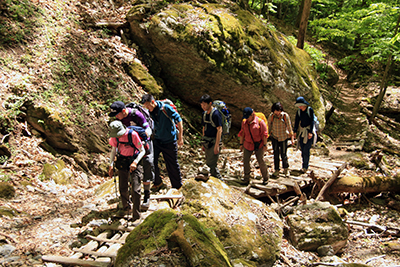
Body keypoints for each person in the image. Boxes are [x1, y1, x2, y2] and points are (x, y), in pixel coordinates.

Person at [109, 101, 154, 211]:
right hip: (127, 147)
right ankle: (128, 200)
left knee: (147, 165)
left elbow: (147, 128)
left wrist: (144, 140)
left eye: (117, 114)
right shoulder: (118, 121)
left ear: (124, 111)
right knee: (127, 171)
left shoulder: (136, 115)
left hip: (141, 143)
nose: (116, 117)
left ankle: (146, 195)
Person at [141, 94, 183, 190]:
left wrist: (180, 137)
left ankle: (177, 186)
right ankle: (158, 182)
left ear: (153, 102)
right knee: (151, 161)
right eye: (145, 106)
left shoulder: (165, 108)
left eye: (148, 105)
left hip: (169, 141)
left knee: (172, 164)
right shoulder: (149, 112)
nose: (147, 108)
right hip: (157, 140)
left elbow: (179, 120)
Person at [108, 120, 145, 222]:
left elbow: (142, 150)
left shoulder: (132, 135)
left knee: (135, 189)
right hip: (122, 161)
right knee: (122, 187)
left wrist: (135, 162)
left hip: (134, 160)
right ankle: (126, 208)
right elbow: (113, 150)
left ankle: (136, 215)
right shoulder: (115, 137)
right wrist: (111, 165)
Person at [238, 107, 270, 185]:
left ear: (252, 115)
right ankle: (246, 178)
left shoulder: (260, 122)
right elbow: (242, 133)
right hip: (247, 144)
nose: (247, 119)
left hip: (258, 144)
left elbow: (264, 135)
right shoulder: (244, 122)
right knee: (245, 160)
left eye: (248, 117)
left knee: (260, 161)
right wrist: (241, 144)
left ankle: (266, 178)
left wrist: (265, 145)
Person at [199, 94, 223, 181]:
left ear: (210, 103)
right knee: (210, 164)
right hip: (207, 141)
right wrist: (203, 143)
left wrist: (217, 145)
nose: (203, 106)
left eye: (205, 104)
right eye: (202, 105)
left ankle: (221, 182)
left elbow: (219, 129)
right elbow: (204, 128)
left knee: (211, 164)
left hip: (214, 141)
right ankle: (216, 182)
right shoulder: (204, 114)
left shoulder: (216, 114)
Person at [268, 102, 295, 178]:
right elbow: (269, 126)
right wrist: (267, 136)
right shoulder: (271, 116)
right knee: (276, 154)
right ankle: (277, 170)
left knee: (283, 154)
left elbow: (289, 127)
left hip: (283, 137)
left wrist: (292, 138)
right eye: (276, 111)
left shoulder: (285, 116)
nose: (278, 113)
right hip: (275, 137)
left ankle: (286, 169)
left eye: (279, 111)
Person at [293, 96, 315, 173]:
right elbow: (296, 121)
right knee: (302, 149)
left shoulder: (309, 110)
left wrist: (310, 132)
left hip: (308, 132)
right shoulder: (299, 112)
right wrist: (295, 131)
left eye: (300, 105)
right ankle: (304, 165)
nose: (300, 107)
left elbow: (312, 121)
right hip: (302, 132)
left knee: (306, 149)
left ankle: (305, 166)